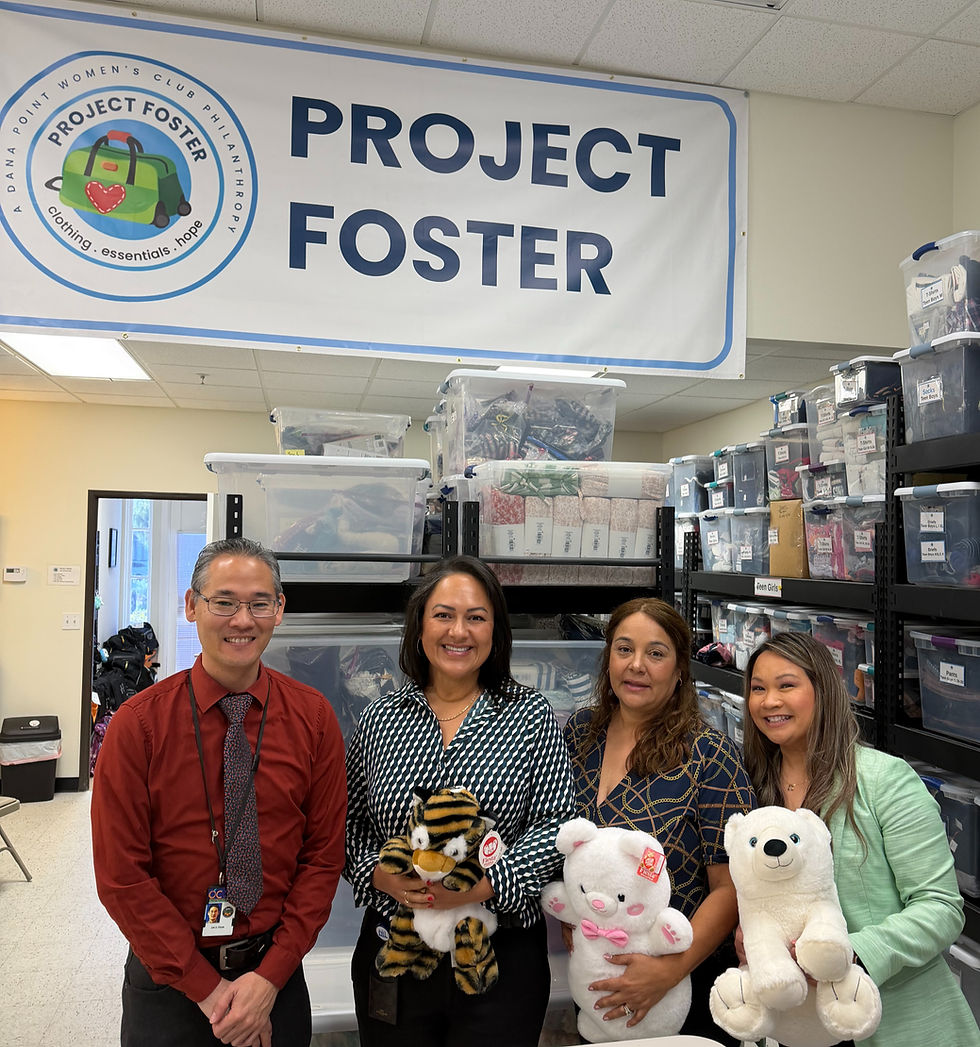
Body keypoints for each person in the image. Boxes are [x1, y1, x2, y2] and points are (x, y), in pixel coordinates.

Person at [92, 536, 347, 1047]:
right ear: (191, 606)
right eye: (224, 602)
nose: (241, 620)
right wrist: (209, 992)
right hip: (169, 980)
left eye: (258, 603)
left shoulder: (314, 718)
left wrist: (269, 978)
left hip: (274, 976)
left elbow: (322, 859)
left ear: (279, 610)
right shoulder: (136, 726)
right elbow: (122, 878)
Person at [345, 555, 575, 1047]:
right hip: (398, 945)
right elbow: (348, 821)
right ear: (420, 625)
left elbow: (556, 823)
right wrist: (378, 874)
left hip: (499, 955)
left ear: (495, 629)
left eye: (476, 617)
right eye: (443, 614)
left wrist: (478, 887)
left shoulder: (530, 714)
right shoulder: (380, 718)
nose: (459, 632)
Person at [743, 631, 980, 1046]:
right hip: (799, 1026)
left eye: (786, 685)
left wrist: (848, 954)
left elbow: (940, 907)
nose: (769, 701)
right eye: (758, 688)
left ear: (823, 691)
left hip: (895, 1021)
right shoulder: (752, 787)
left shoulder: (883, 780)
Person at [563, 596, 755, 1043]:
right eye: (624, 649)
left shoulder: (710, 756)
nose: (636, 666)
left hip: (683, 987)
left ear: (680, 668)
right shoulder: (579, 734)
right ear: (608, 656)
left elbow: (731, 889)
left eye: (656, 653)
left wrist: (665, 972)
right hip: (596, 986)